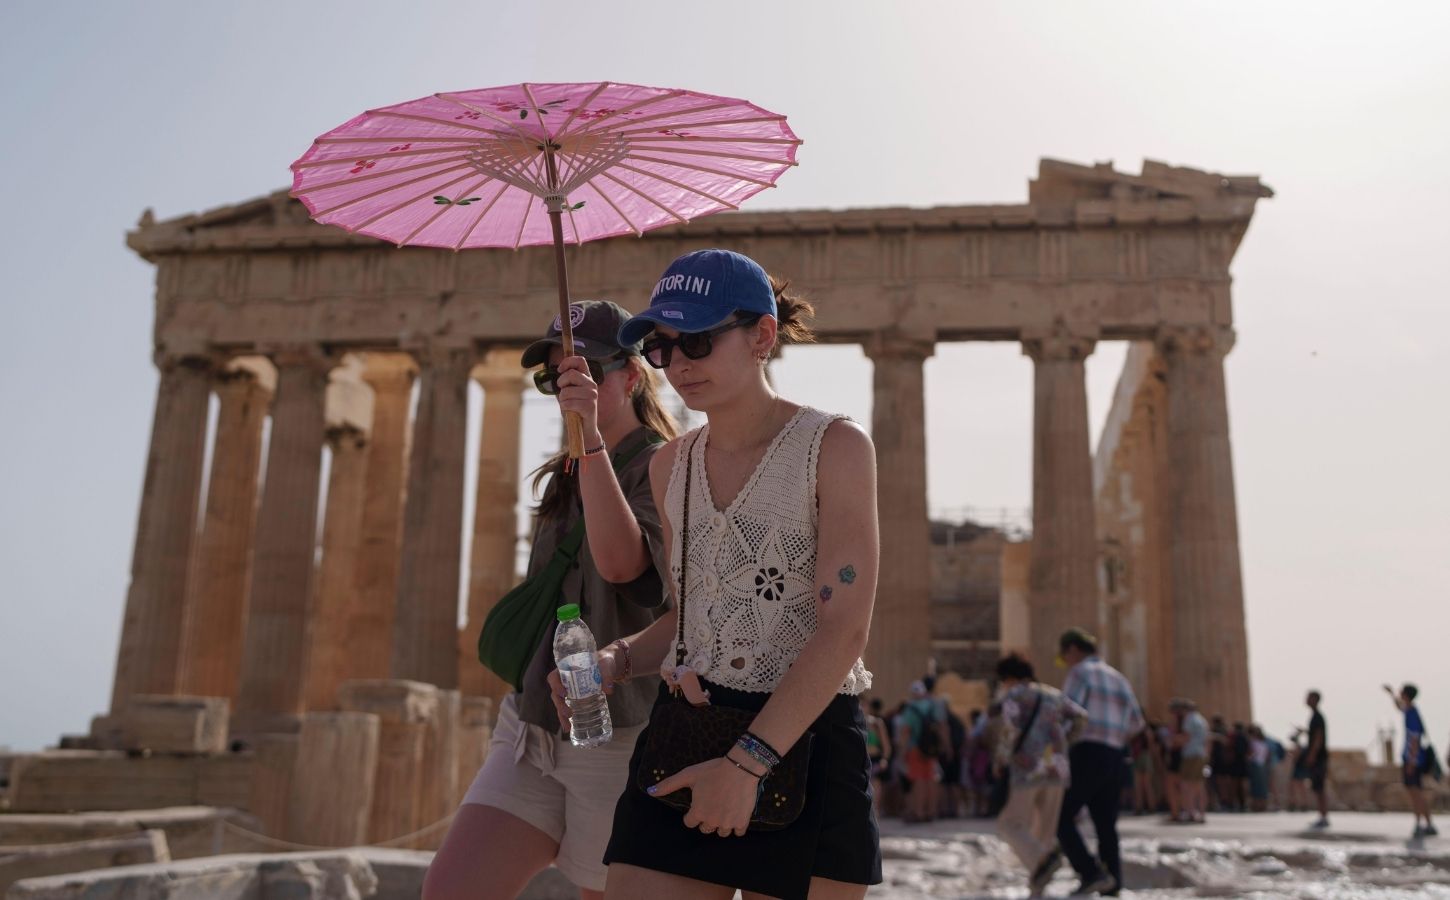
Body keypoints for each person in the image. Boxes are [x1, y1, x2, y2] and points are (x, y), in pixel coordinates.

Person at [597, 249, 883, 900]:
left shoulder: (835, 448)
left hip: (806, 740)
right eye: (664, 347)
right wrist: (616, 659)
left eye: (697, 339)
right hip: (688, 731)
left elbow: (843, 630)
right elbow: (689, 615)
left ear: (762, 335)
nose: (679, 364)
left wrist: (747, 764)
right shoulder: (669, 467)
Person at [424, 301, 678, 900]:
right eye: (554, 376)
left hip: (618, 733)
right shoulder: (563, 473)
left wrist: (591, 436)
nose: (567, 387)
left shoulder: (664, 465)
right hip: (532, 724)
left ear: (631, 377)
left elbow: (623, 567)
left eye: (584, 371)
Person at [1055, 628, 1144, 897]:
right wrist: (1114, 737)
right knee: (1106, 822)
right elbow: (1137, 723)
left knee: (1061, 815)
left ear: (1072, 649)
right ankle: (1113, 881)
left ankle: (1090, 872)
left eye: (1064, 656)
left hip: (1087, 752)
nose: (1065, 662)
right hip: (1115, 755)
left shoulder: (1080, 673)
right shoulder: (1119, 678)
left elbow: (1067, 711)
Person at [993, 653, 1088, 898]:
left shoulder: (1014, 695)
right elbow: (1081, 717)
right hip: (1056, 767)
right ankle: (1038, 887)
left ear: (1009, 677)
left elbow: (1010, 730)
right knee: (1043, 830)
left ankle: (1045, 861)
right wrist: (1063, 742)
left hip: (1027, 767)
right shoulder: (1053, 694)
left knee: (1010, 823)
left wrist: (1001, 759)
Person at [1384, 682, 1436, 838]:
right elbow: (1400, 706)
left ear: (1406, 694)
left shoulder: (1412, 713)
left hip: (1413, 759)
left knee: (1415, 794)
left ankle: (1419, 824)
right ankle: (1428, 824)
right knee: (1417, 792)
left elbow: (1414, 738)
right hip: (1414, 759)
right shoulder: (1410, 710)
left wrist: (1412, 762)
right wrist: (1391, 694)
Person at [898, 680, 945, 823]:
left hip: (915, 748)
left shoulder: (910, 709)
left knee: (918, 780)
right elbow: (942, 726)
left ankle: (919, 812)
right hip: (931, 749)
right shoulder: (933, 706)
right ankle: (931, 811)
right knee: (931, 778)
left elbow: (906, 732)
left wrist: (902, 753)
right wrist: (944, 745)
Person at [1173, 698, 1209, 824]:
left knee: (1186, 784)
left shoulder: (1189, 719)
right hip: (1201, 754)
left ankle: (1190, 812)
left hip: (1190, 755)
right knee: (1199, 785)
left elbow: (1186, 737)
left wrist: (1174, 740)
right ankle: (1202, 813)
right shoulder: (1202, 720)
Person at [1303, 691, 1330, 829]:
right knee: (1318, 788)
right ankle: (1322, 815)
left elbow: (1318, 739)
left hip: (1319, 758)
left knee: (1320, 788)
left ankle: (1324, 816)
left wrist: (1312, 755)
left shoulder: (1318, 717)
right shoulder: (1315, 717)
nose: (1305, 699)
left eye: (1308, 697)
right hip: (1318, 757)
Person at [863, 697, 892, 814]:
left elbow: (886, 745)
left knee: (876, 785)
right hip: (861, 759)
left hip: (874, 759)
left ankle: (875, 812)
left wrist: (884, 759)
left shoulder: (877, 723)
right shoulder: (854, 722)